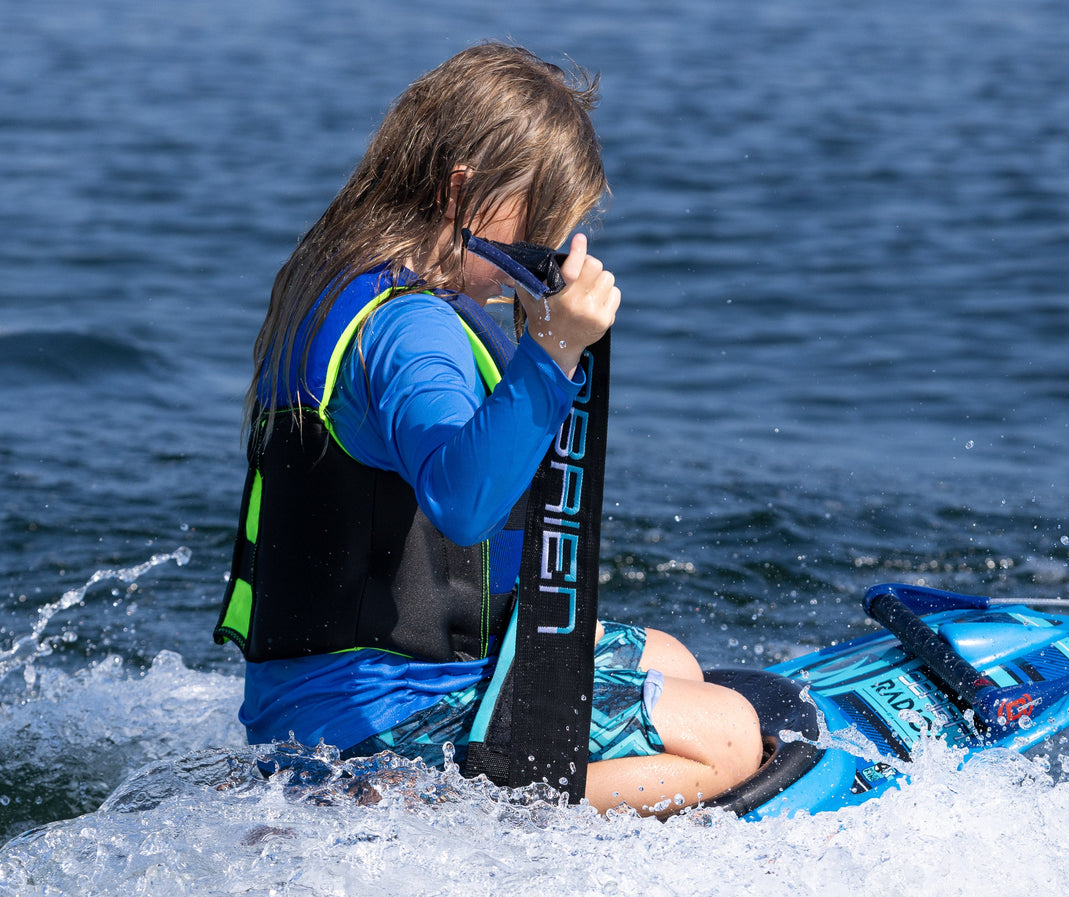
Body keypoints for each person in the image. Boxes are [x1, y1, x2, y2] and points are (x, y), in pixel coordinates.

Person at [214, 43, 762, 813]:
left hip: (304, 703)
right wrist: (554, 351)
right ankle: (433, 807)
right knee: (731, 735)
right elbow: (462, 503)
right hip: (374, 722)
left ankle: (411, 789)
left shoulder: (343, 278)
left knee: (676, 659)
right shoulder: (413, 330)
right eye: (535, 223)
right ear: (461, 190)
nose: (541, 252)